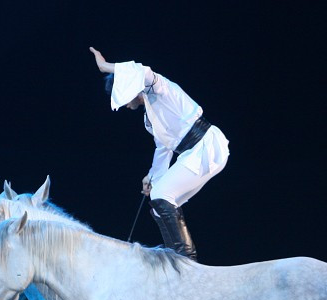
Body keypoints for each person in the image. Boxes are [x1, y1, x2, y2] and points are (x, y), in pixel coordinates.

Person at [89, 47, 229, 261]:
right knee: (158, 206)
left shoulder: (159, 88)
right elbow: (163, 148)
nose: (126, 105)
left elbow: (145, 72)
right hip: (192, 153)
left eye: (124, 98)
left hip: (205, 145)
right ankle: (176, 256)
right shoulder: (149, 119)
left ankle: (186, 261)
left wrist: (106, 67)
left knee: (161, 195)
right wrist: (153, 177)